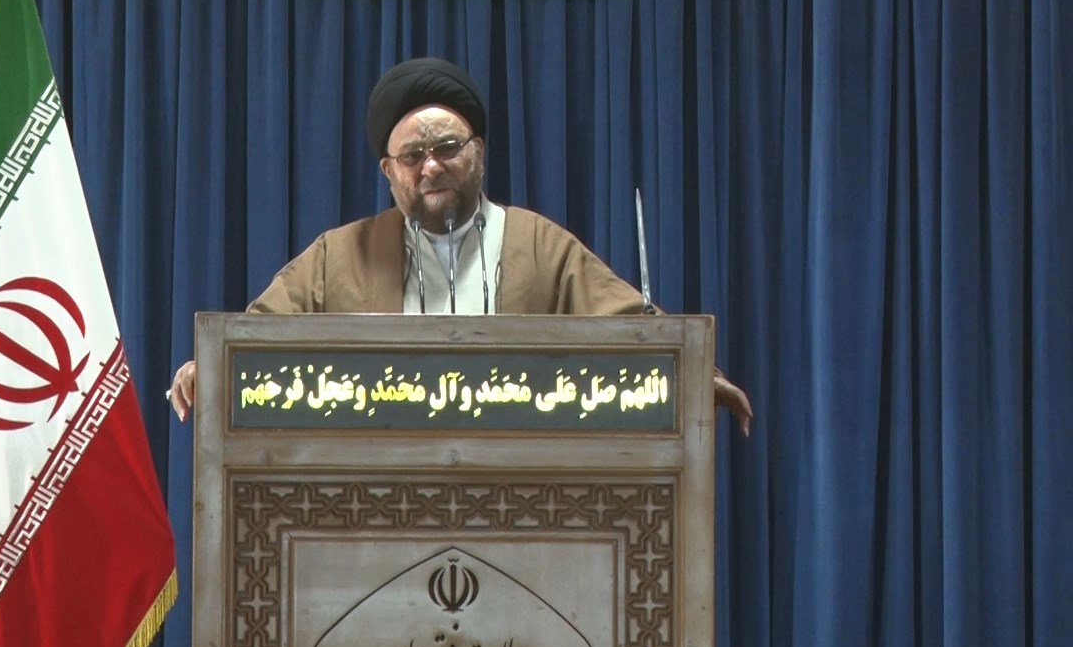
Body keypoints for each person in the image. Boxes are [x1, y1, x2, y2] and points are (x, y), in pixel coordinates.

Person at [167, 57, 753, 433]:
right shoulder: (340, 255)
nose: (431, 166)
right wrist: (209, 367)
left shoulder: (539, 245)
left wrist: (694, 373)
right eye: (412, 156)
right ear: (388, 171)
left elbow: (631, 329)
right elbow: (258, 337)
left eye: (447, 147)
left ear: (479, 152)